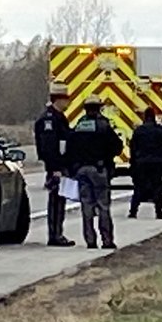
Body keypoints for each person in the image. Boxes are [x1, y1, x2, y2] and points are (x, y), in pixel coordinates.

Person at [64, 95, 122, 250]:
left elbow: (69, 150)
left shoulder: (78, 126)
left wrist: (72, 169)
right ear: (99, 108)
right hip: (99, 170)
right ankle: (107, 240)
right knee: (103, 206)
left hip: (81, 171)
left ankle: (90, 240)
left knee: (86, 207)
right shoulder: (104, 126)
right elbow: (117, 147)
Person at [32, 82, 76, 247]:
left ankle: (58, 233)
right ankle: (55, 235)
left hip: (61, 166)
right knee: (56, 202)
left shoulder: (59, 118)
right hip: (56, 167)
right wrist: (55, 168)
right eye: (66, 100)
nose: (68, 104)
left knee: (60, 200)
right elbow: (49, 147)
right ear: (59, 100)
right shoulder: (49, 120)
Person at [128, 108, 162, 219]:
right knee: (157, 187)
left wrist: (133, 163)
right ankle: (159, 212)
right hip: (157, 163)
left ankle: (133, 211)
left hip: (141, 162)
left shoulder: (139, 131)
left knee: (138, 187)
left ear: (145, 117)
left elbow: (132, 148)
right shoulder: (161, 131)